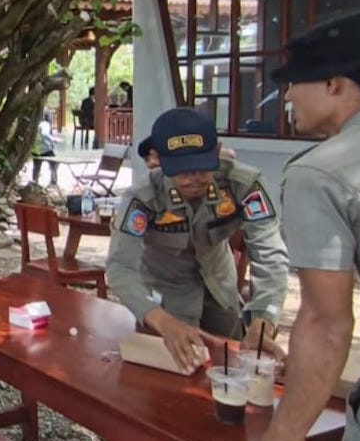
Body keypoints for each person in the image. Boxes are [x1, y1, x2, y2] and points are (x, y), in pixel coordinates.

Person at [254, 12, 360, 441]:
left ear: (334, 84)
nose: (286, 95)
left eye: (293, 81)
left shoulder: (321, 171)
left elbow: (326, 322)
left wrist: (286, 437)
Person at [106, 107, 289, 373]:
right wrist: (161, 321)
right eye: (181, 170)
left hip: (220, 292)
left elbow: (271, 256)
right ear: (157, 159)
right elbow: (120, 268)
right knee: (163, 387)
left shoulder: (243, 185)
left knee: (230, 372)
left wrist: (264, 320)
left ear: (218, 152)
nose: (194, 178)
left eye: (203, 167)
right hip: (163, 300)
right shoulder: (143, 197)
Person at [30, 110, 63, 187]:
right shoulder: (45, 124)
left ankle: (35, 181)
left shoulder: (37, 124)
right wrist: (54, 139)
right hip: (45, 149)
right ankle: (53, 182)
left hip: (36, 149)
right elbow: (45, 134)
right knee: (54, 164)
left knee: (36, 166)